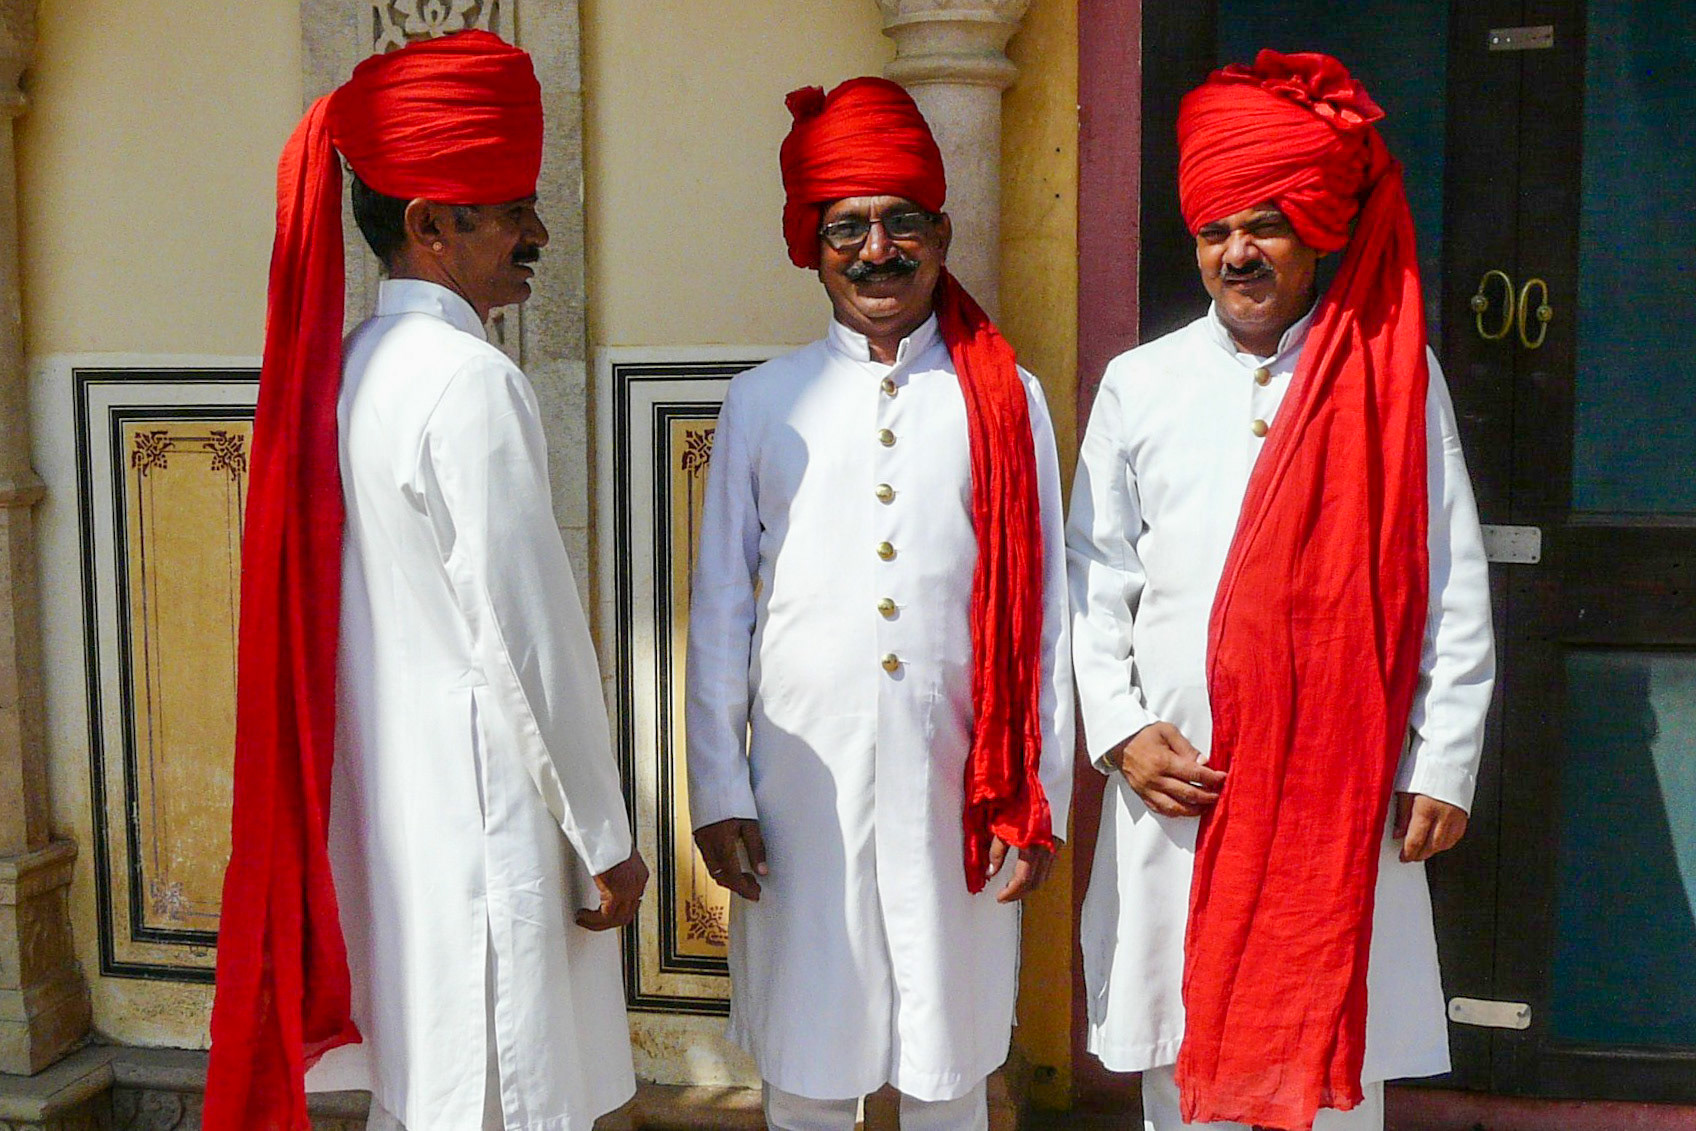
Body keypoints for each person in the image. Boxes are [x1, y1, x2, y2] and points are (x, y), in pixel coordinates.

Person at [204, 31, 645, 1131]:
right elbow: (527, 640)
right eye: (511, 210)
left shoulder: (345, 370)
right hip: (485, 827)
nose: (537, 234)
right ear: (429, 226)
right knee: (504, 1097)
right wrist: (606, 835)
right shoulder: (467, 384)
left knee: (428, 1097)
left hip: (390, 830)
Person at [1067, 51, 1495, 1131]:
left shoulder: (1391, 371)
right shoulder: (1141, 382)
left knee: (1329, 1045)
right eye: (1215, 231)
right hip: (1182, 781)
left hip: (1340, 785)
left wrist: (1441, 756)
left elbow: (1449, 577)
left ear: (1315, 231)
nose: (1236, 252)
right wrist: (1119, 732)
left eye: (1262, 226)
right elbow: (1093, 575)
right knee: (1184, 1054)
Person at [685, 77, 1074, 1131]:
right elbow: (722, 606)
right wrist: (718, 789)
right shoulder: (764, 400)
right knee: (811, 1053)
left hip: (963, 781)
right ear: (809, 244)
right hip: (800, 785)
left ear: (942, 234)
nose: (876, 250)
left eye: (903, 222)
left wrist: (1035, 797)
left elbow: (1045, 614)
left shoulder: (1008, 397)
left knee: (947, 1062)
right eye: (846, 227)